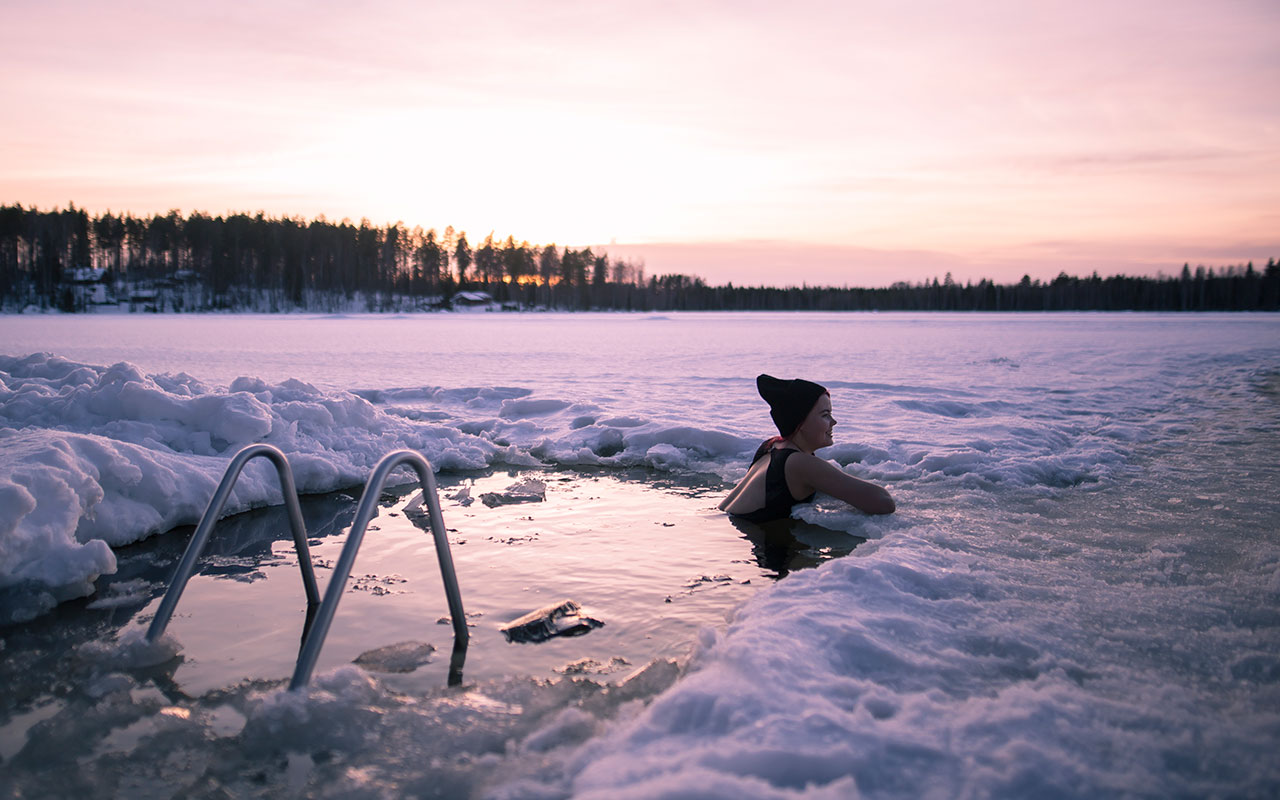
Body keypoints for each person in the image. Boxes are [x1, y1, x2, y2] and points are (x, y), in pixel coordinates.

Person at [719, 374, 895, 522]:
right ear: (800, 422)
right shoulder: (800, 463)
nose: (834, 422)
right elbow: (884, 502)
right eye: (825, 415)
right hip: (769, 551)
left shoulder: (771, 446)